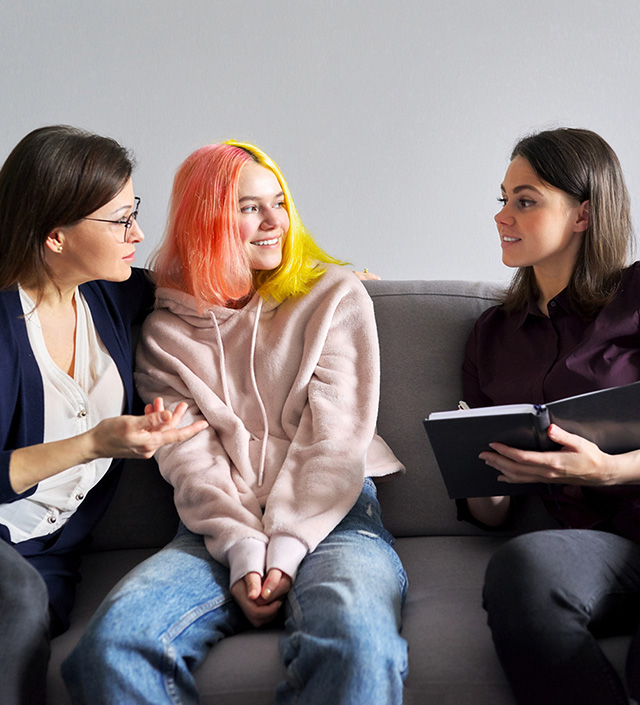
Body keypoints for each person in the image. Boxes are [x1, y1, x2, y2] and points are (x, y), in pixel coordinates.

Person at [62, 140, 409, 704]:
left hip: (336, 513)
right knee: (111, 648)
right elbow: (190, 459)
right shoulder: (164, 336)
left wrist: (289, 546)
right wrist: (245, 550)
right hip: (214, 529)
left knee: (359, 646)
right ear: (208, 221)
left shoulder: (334, 297)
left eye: (279, 202)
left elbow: (335, 439)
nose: (276, 221)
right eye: (250, 208)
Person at [0, 125, 208, 705]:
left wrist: (323, 276)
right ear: (57, 237)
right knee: (16, 601)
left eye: (133, 211)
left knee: (31, 606)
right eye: (119, 220)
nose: (138, 232)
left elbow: (201, 275)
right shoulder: (3, 325)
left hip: (49, 561)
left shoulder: (108, 294)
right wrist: (92, 443)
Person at [460, 127, 640, 705]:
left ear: (583, 215)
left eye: (526, 200)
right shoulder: (491, 335)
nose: (502, 216)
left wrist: (609, 471)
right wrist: (484, 475)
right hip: (595, 547)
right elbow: (491, 515)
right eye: (503, 200)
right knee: (524, 568)